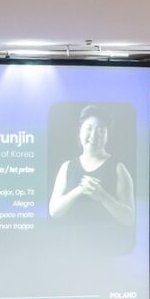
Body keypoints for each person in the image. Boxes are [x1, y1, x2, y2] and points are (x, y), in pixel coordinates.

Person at [49, 104, 135, 251]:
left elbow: (129, 219)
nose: (94, 135)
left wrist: (102, 196)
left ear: (107, 135)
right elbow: (54, 211)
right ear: (79, 131)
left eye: (100, 130)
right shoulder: (67, 167)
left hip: (108, 250)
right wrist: (78, 190)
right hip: (71, 250)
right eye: (89, 128)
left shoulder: (118, 168)